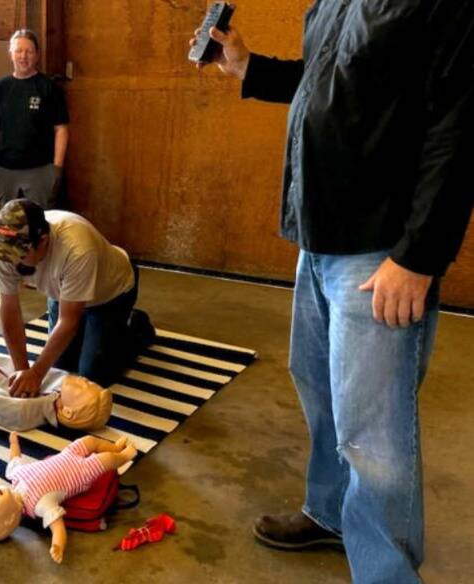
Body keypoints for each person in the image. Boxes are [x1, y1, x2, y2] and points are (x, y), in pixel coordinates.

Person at [191, 3, 473, 582]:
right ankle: (331, 514)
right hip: (318, 234)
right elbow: (328, 82)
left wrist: (418, 255)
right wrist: (249, 67)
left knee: (374, 428)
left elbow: (460, 119)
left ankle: (385, 572)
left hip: (381, 249)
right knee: (320, 389)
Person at [0, 198, 155, 395]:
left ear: (43, 240)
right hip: (63, 293)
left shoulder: (77, 249)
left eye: (21, 254)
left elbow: (69, 320)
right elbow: (9, 309)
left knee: (91, 376)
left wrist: (36, 374)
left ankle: (134, 325)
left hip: (111, 293)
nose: (13, 261)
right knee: (61, 367)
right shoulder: (5, 248)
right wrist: (22, 371)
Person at [0, 432, 136, 563]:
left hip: (67, 455)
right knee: (107, 460)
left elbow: (15, 458)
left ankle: (115, 447)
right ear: (10, 519)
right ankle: (123, 457)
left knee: (90, 441)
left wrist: (13, 444)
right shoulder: (38, 506)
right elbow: (57, 527)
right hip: (81, 473)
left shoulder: (13, 475)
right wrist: (58, 545)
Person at [0, 29, 70, 208]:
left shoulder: (48, 87)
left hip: (40, 171)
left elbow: (61, 129)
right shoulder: (0, 88)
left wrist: (56, 168)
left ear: (37, 55)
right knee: (10, 227)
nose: (23, 56)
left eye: (29, 51)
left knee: (39, 226)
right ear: (10, 53)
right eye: (18, 51)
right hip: (5, 170)